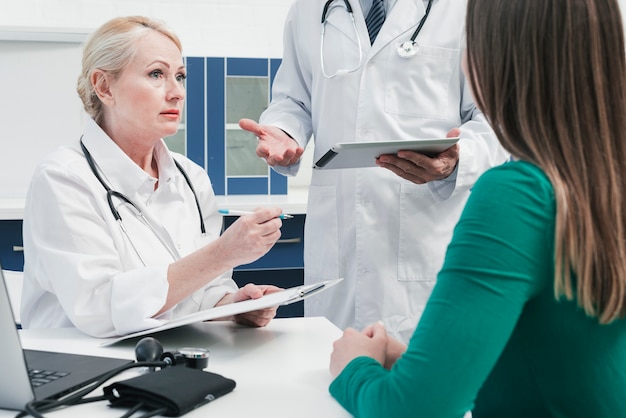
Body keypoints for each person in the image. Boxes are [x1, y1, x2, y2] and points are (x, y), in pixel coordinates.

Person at [328, 0, 626, 416]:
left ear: (495, 56)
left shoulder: (518, 196)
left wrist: (353, 366)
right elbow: (559, 355)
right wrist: (420, 363)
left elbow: (409, 411)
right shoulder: (604, 182)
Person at [239, 0, 509, 343]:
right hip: (338, 244)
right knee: (328, 379)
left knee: (420, 381)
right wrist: (284, 131)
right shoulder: (310, 8)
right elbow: (294, 99)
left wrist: (458, 158)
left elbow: (498, 121)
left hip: (424, 243)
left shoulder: (465, 10)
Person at [20, 16, 286, 338]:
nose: (177, 93)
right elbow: (99, 310)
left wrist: (233, 305)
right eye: (157, 74)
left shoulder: (191, 177)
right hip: (85, 367)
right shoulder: (63, 180)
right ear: (104, 86)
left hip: (172, 360)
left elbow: (203, 293)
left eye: (180, 76)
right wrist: (224, 252)